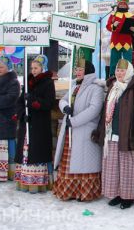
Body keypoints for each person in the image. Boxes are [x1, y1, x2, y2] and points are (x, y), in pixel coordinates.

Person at [92, 59, 134, 209]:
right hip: (111, 134)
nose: (119, 73)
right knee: (113, 167)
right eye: (117, 70)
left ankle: (127, 197)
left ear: (128, 71)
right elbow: (105, 111)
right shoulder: (113, 87)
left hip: (127, 135)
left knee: (127, 167)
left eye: (122, 71)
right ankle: (116, 194)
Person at [52, 60, 104, 201]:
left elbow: (94, 110)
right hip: (71, 130)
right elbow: (63, 100)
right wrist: (65, 107)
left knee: (83, 163)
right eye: (76, 69)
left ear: (87, 71)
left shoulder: (96, 88)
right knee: (70, 161)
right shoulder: (74, 85)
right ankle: (69, 191)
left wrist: (74, 121)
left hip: (85, 131)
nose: (77, 72)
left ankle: (84, 192)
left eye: (80, 69)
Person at [14, 55, 55, 193]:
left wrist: (32, 100)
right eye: (32, 68)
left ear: (42, 68)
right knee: (26, 152)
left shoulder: (48, 83)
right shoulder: (28, 82)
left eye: (36, 68)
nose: (34, 70)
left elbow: (48, 103)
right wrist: (21, 115)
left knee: (38, 153)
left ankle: (38, 182)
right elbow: (20, 102)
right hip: (27, 125)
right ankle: (24, 180)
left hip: (39, 125)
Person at [107, 0, 134, 76]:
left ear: (127, 5)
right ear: (117, 4)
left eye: (124, 3)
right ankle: (112, 79)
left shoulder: (131, 15)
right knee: (114, 62)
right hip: (115, 42)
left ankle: (128, 78)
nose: (122, 5)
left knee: (128, 62)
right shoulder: (113, 15)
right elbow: (108, 26)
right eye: (120, 3)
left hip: (127, 43)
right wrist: (113, 25)